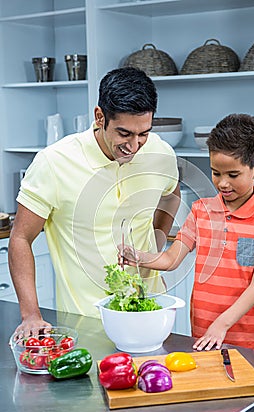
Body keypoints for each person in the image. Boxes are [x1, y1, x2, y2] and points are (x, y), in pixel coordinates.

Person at [9, 67, 181, 336]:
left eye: (143, 134)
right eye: (124, 133)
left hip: (153, 315)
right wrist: (31, 315)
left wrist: (155, 247)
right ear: (100, 117)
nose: (134, 146)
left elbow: (171, 194)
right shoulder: (54, 163)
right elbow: (20, 238)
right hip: (86, 325)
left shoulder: (160, 152)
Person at [119, 113, 254, 353]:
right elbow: (171, 259)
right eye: (216, 173)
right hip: (204, 334)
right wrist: (138, 256)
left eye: (233, 175)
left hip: (252, 340)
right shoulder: (201, 211)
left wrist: (222, 324)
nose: (223, 183)